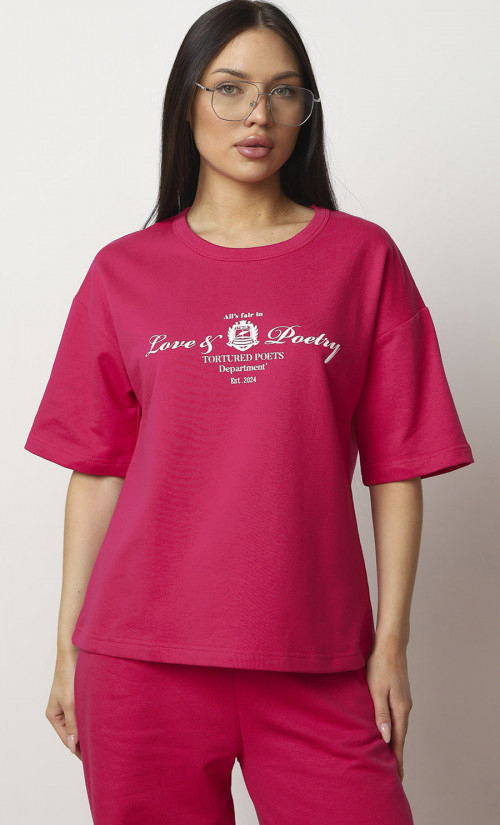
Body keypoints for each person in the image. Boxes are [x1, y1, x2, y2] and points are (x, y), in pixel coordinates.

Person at [24, 2, 474, 823]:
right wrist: (66, 648)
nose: (258, 114)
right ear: (186, 102)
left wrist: (391, 646)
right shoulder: (123, 272)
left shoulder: (363, 259)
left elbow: (398, 468)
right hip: (139, 659)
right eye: (229, 88)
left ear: (307, 109)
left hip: (317, 658)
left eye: (284, 90)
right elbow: (97, 472)